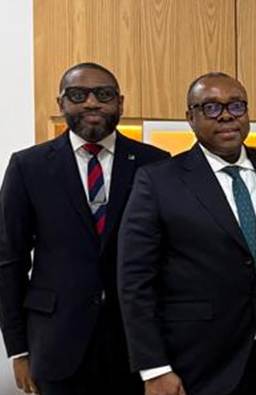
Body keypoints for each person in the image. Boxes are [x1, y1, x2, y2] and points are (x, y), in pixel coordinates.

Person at [117, 72, 256, 395]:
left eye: (236, 105)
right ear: (190, 117)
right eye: (211, 107)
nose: (226, 116)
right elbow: (135, 280)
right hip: (193, 362)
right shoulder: (159, 180)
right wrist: (154, 367)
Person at [0, 63, 169, 395]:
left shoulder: (155, 163)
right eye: (78, 95)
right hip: (56, 341)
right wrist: (17, 349)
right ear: (61, 103)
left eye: (104, 94)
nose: (92, 103)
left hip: (137, 345)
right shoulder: (28, 166)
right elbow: (9, 262)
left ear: (120, 103)